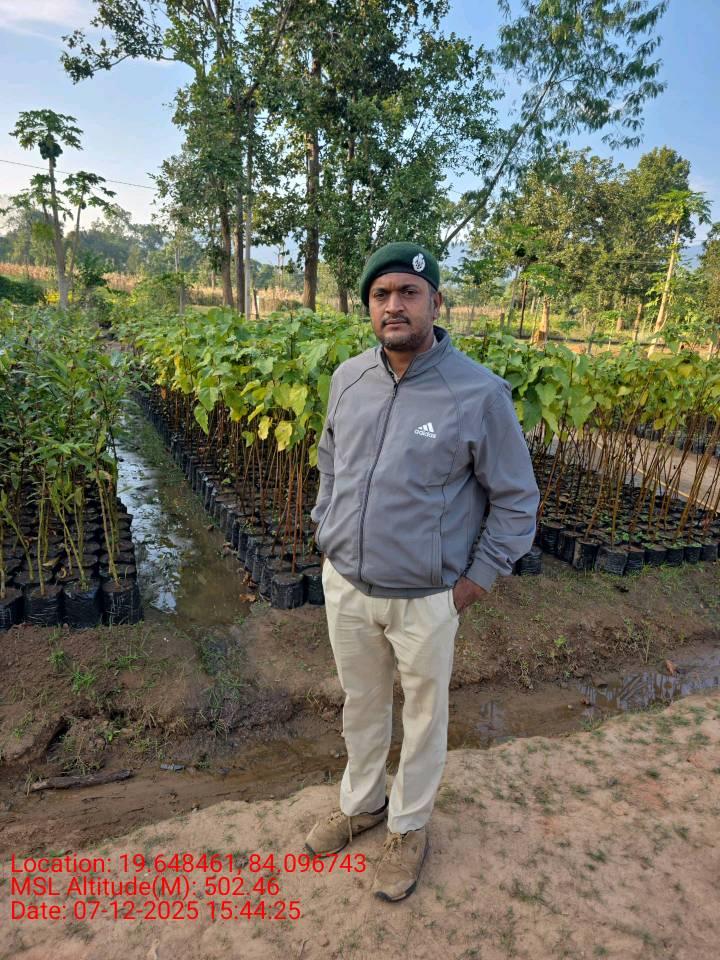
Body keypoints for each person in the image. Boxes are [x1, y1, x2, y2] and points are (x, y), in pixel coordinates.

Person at [305, 241, 539, 901]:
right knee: (361, 703)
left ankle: (409, 827)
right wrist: (326, 529)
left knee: (425, 717)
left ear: (436, 302)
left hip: (428, 597)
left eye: (409, 292)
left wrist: (476, 579)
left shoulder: (478, 393)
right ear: (368, 306)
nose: (394, 305)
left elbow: (516, 498)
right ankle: (362, 804)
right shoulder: (349, 378)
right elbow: (329, 459)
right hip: (347, 585)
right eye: (381, 294)